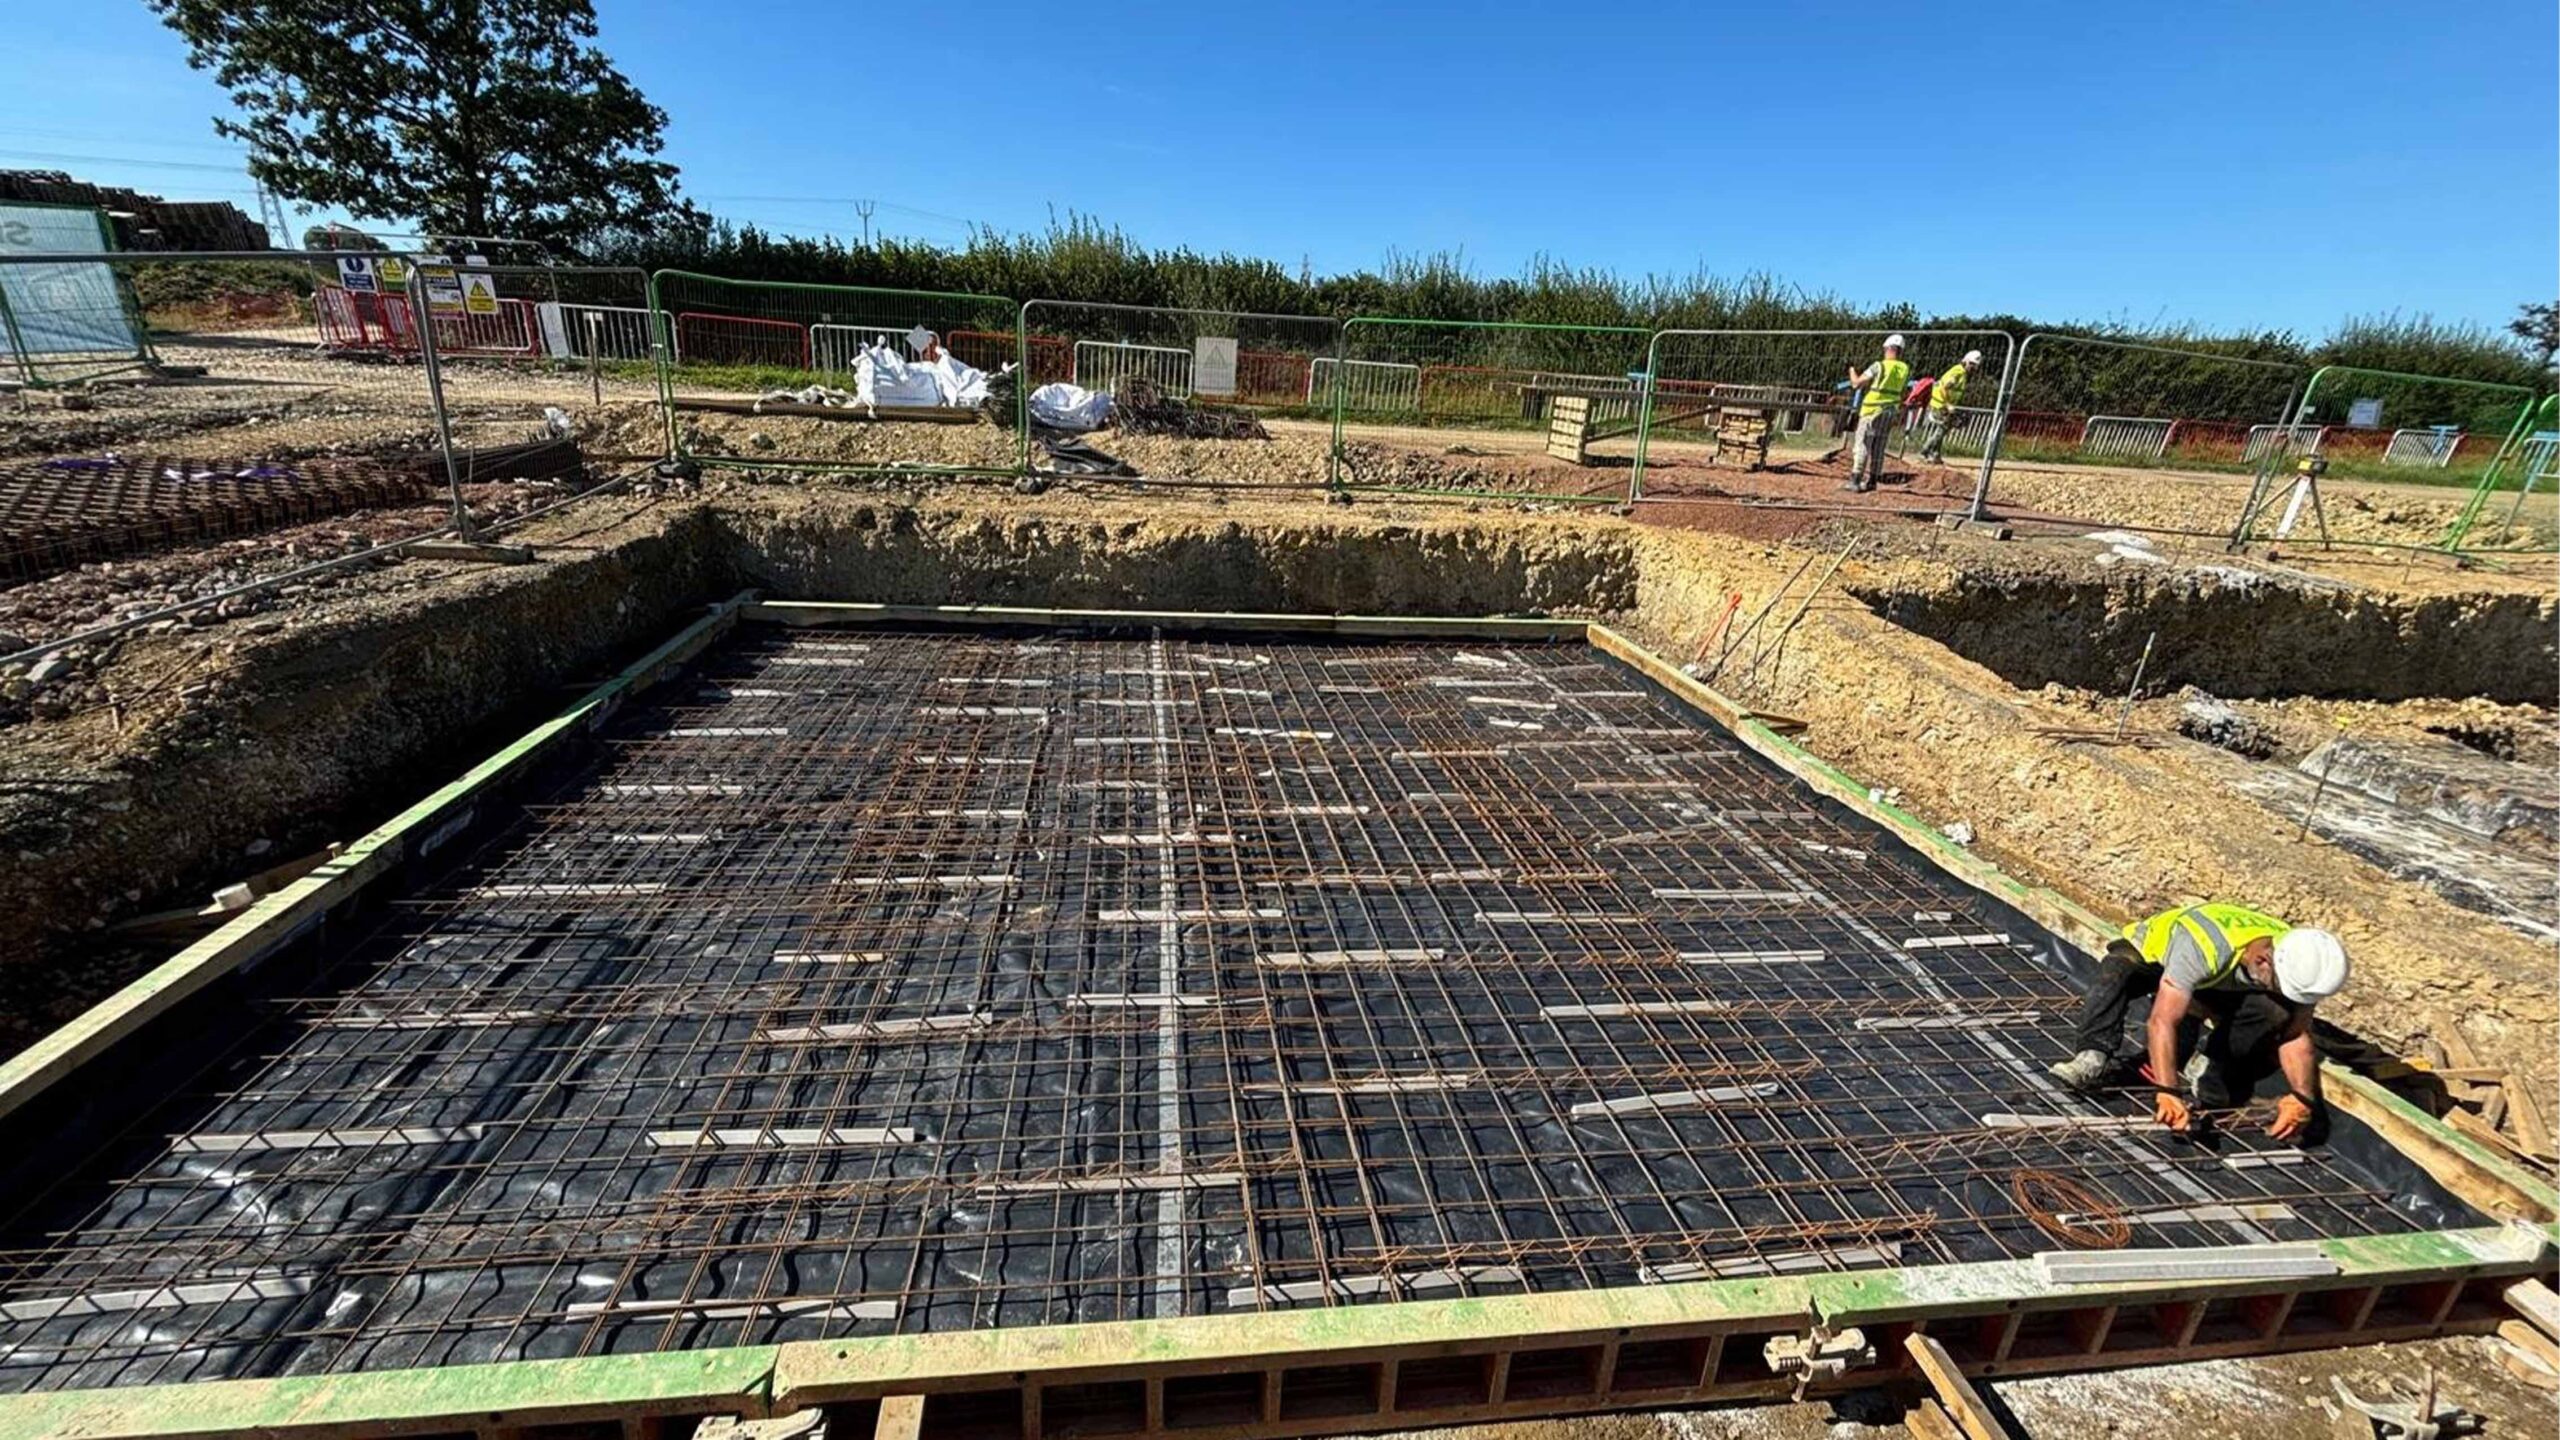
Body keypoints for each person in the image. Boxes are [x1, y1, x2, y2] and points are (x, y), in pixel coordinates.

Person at [2049, 903, 2351, 1141]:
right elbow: (2163, 1021)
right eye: (2283, 986)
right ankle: (2092, 1056)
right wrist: (2167, 1091)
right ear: (2262, 962)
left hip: (2216, 979)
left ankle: (2209, 1065)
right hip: (2157, 957)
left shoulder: (2296, 958)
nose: (2289, 994)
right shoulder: (2204, 946)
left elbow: (2295, 1036)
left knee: (2276, 1012)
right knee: (2118, 971)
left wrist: (2303, 1098)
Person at [1844, 335, 1910, 491]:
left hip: (1871, 410)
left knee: (1862, 444)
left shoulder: (1879, 366)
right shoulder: (1905, 368)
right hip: (1890, 411)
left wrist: (1852, 370)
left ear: (1888, 348)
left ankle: (1855, 479)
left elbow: (1856, 384)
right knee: (1879, 446)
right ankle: (1873, 480)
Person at [1916, 348, 1982, 464]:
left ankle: (1935, 455)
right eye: (1971, 364)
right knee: (1943, 429)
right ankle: (1924, 451)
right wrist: (1948, 404)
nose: (1973, 367)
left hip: (1944, 404)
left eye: (1975, 365)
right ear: (1965, 361)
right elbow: (1944, 387)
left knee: (1942, 429)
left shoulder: (1963, 373)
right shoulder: (1957, 372)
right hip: (1940, 404)